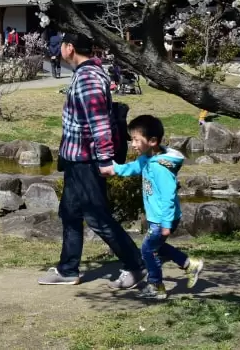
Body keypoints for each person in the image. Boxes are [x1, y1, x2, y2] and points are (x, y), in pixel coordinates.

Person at [38, 32, 145, 288]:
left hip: (88, 160)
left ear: (70, 48)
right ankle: (68, 269)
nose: (59, 49)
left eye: (61, 45)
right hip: (77, 159)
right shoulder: (88, 73)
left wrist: (106, 160)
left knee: (97, 217)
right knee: (70, 213)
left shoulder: (87, 78)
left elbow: (99, 124)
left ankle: (138, 265)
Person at [100, 115, 204, 300]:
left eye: (136, 140)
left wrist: (165, 224)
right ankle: (189, 264)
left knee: (148, 249)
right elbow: (134, 167)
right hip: (156, 217)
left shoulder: (160, 168)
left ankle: (156, 286)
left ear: (153, 141)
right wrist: (115, 169)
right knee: (157, 247)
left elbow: (168, 197)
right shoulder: (147, 158)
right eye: (132, 139)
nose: (133, 144)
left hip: (163, 218)